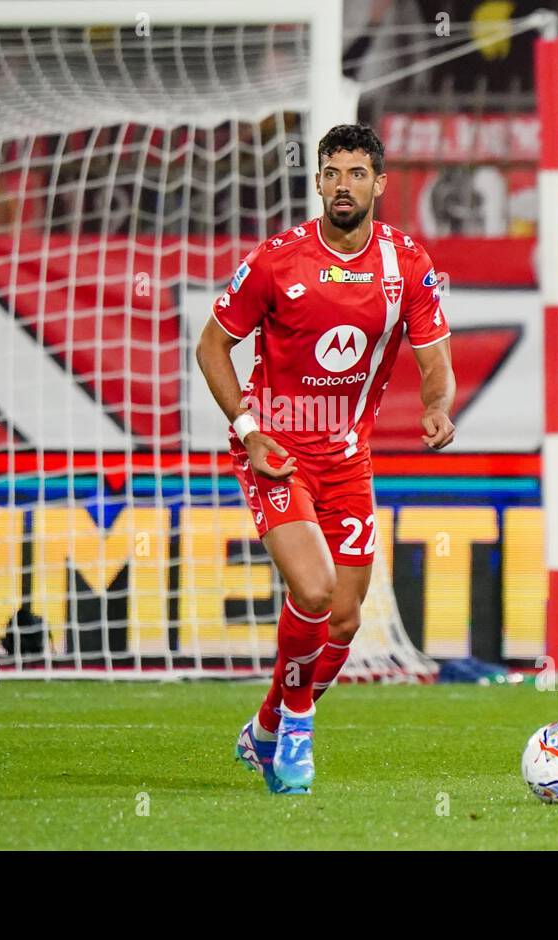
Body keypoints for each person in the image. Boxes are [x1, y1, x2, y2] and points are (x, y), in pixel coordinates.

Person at [194, 124, 456, 794]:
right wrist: (250, 430)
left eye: (357, 173)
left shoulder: (406, 263)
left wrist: (436, 408)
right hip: (276, 450)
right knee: (310, 589)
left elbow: (435, 364)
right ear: (317, 181)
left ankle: (265, 728)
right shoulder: (278, 260)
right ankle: (300, 729)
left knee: (343, 617)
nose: (344, 186)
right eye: (332, 173)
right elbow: (211, 348)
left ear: (380, 183)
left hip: (347, 457)